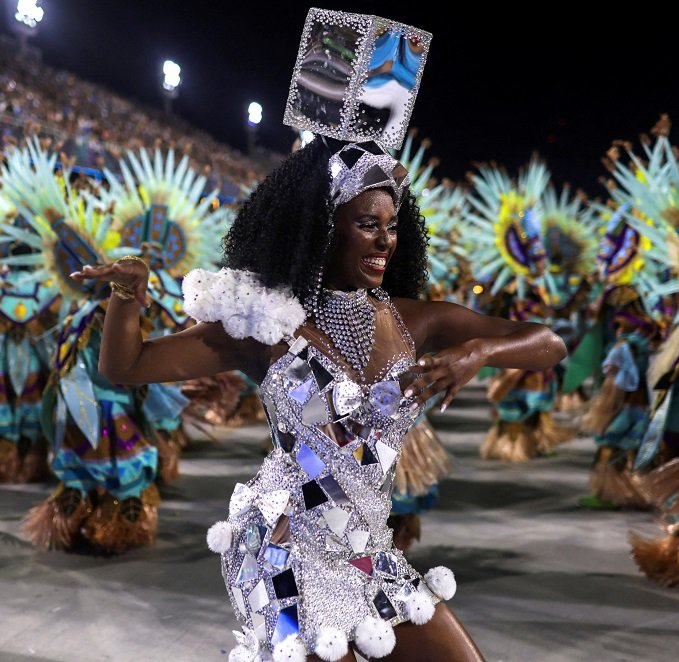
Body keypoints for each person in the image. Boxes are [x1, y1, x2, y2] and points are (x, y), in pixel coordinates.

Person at [72, 130, 565, 660]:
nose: (384, 241)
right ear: (325, 229)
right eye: (367, 224)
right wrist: (127, 296)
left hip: (368, 552)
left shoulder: (413, 320)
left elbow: (549, 343)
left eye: (392, 226)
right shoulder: (265, 324)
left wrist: (478, 353)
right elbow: (126, 366)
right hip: (288, 553)